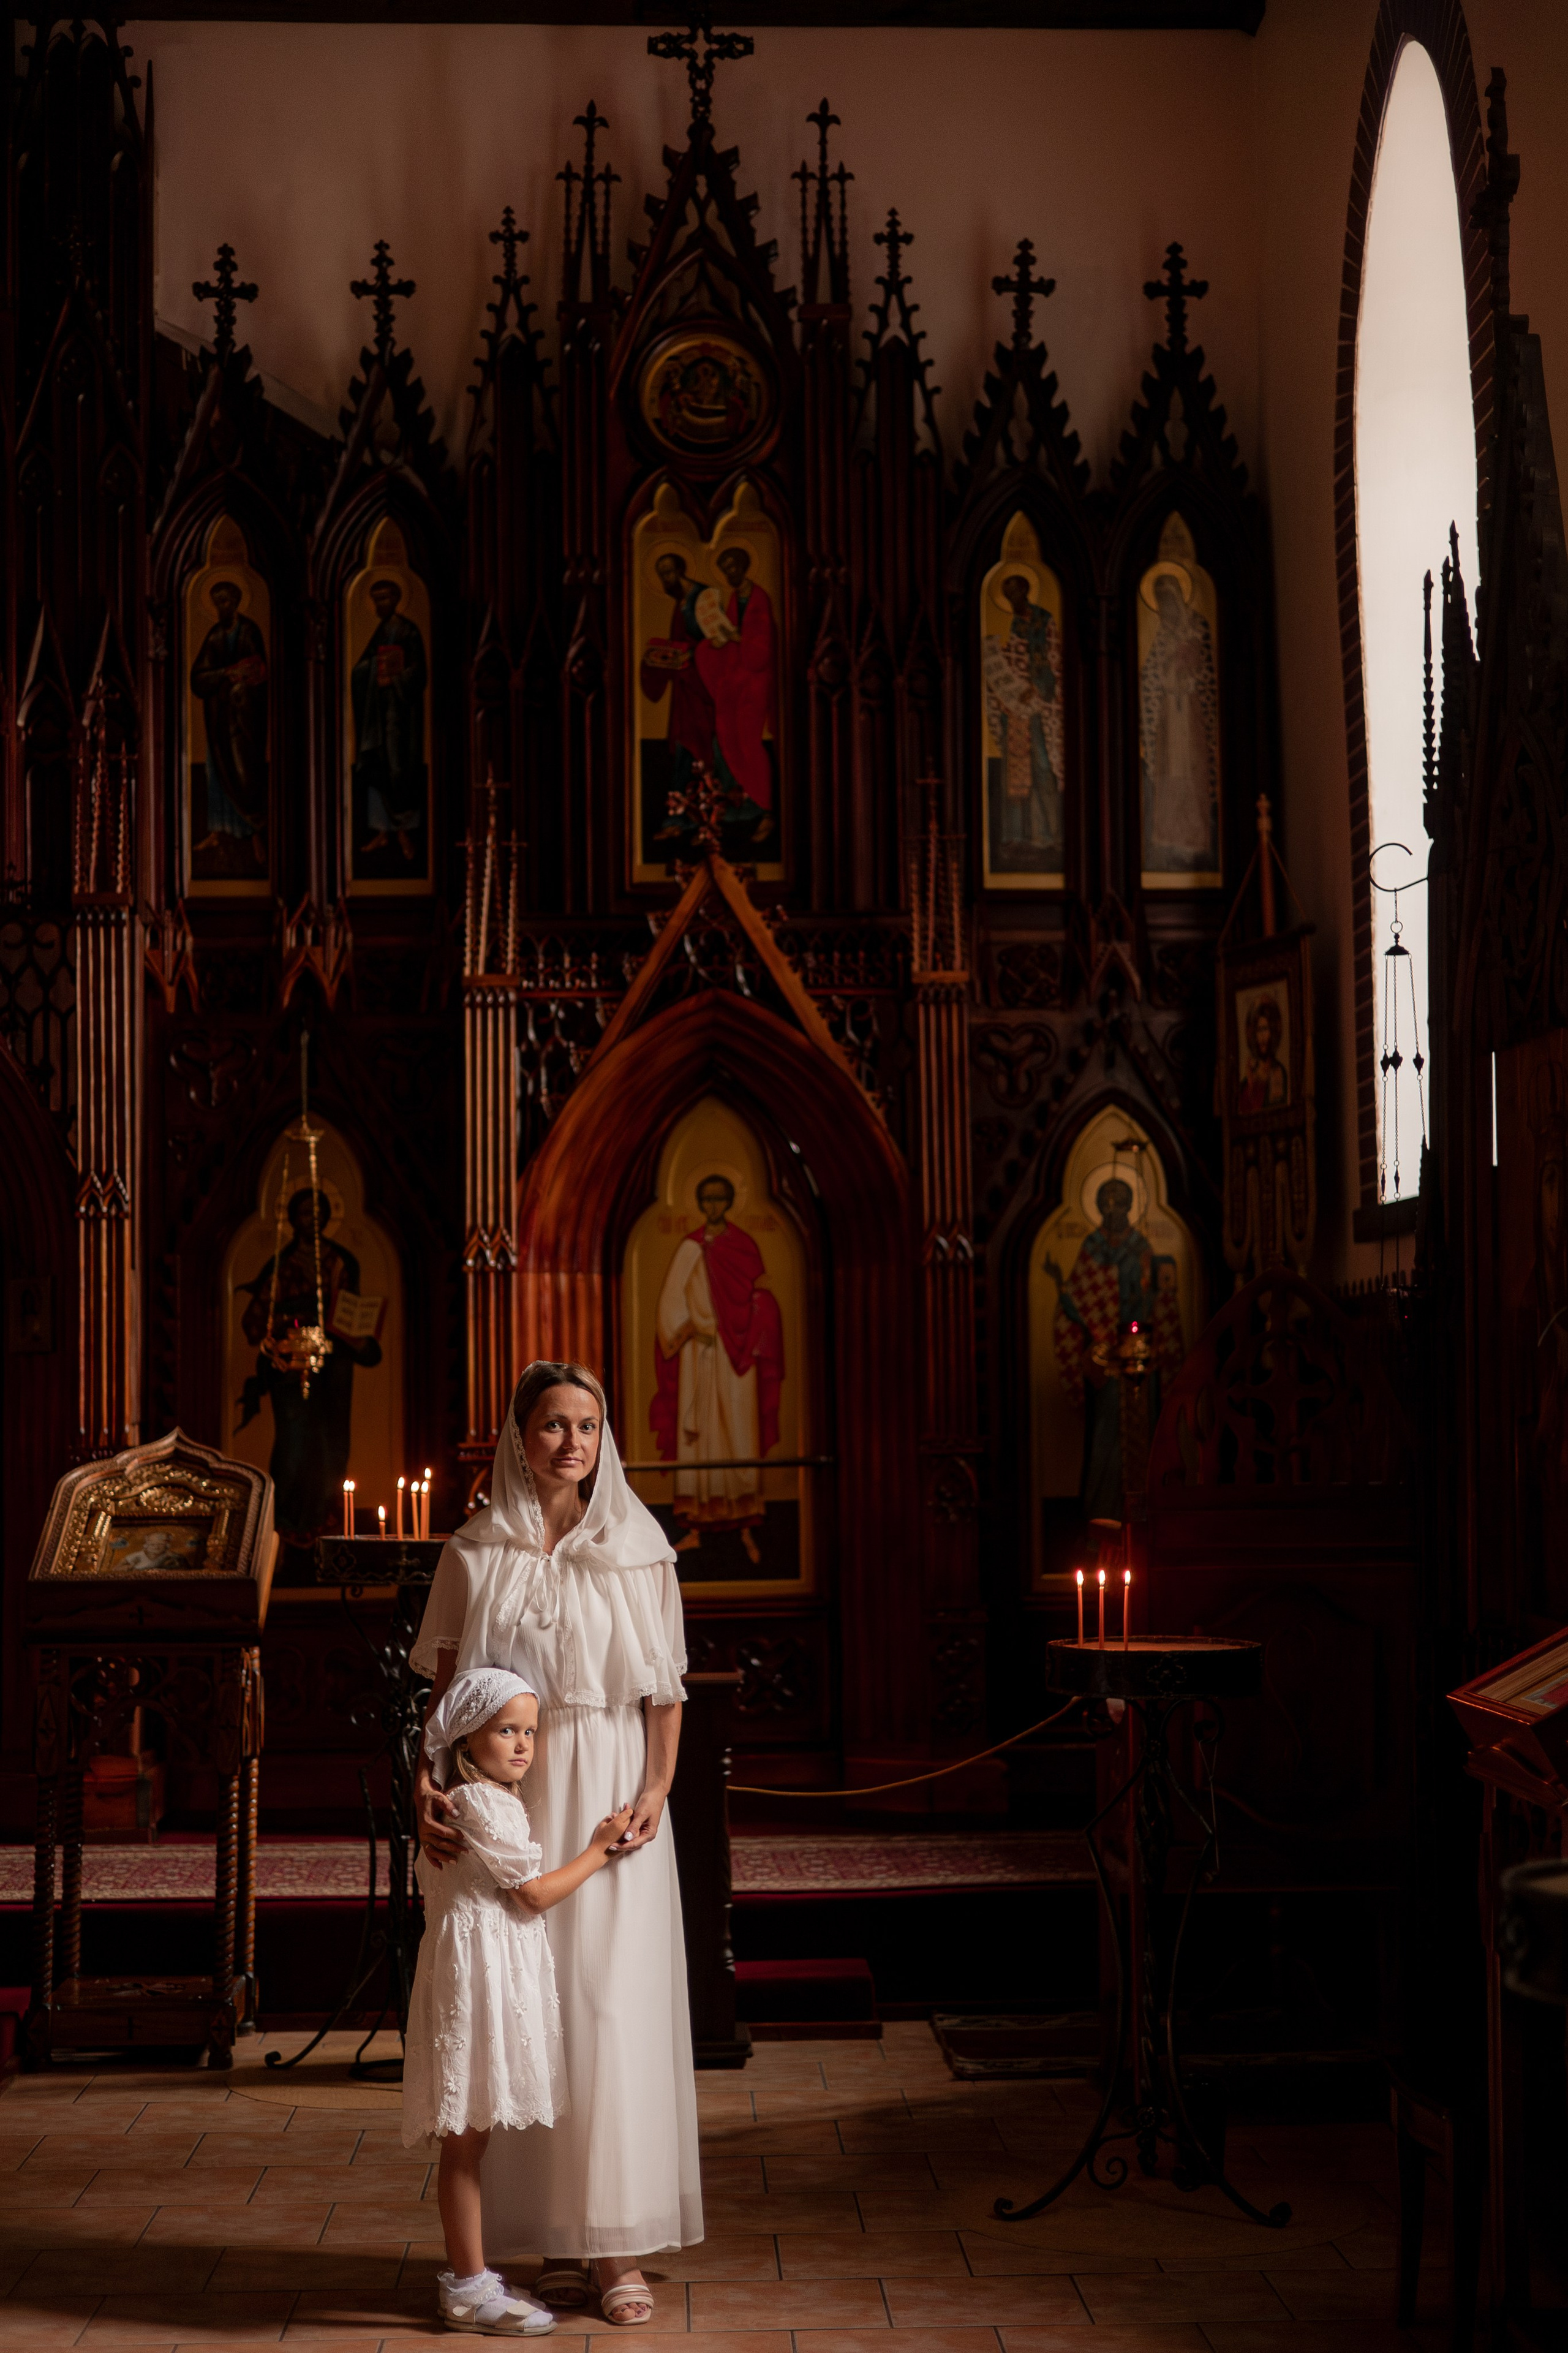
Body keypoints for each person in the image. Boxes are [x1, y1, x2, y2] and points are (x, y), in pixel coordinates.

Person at [412, 1361, 698, 2327]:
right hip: (511, 1797)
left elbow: (666, 1689)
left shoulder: (641, 1549)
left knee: (610, 2008)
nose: (571, 1441)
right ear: (518, 1436)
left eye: (587, 1425)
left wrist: (656, 1787)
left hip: (613, 1798)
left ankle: (616, 2245)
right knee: (529, 2014)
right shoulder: (473, 1552)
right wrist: (425, 1783)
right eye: (551, 1424)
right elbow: (446, 1698)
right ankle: (550, 2236)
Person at [403, 1663, 636, 2338]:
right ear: (466, 1738)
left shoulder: (473, 1799)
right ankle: (467, 2287)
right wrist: (598, 1849)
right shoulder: (481, 1804)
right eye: (506, 1730)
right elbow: (531, 1895)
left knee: (468, 2137)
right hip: (476, 1978)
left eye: (530, 1731)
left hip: (475, 1968)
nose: (524, 1744)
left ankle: (471, 2280)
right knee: (464, 2138)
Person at [236, 1188, 383, 1541]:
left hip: (335, 1367)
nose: (312, 1220)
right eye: (305, 1213)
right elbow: (255, 1321)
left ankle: (326, 1515)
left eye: (319, 1213)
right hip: (292, 1366)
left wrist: (352, 1329)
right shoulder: (281, 1265)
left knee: (332, 1442)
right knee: (294, 1442)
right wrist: (283, 1326)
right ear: (292, 1218)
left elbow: (351, 1311)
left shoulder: (342, 1262)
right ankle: (284, 1522)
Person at [652, 1174, 783, 1563]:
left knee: (739, 1431)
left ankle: (746, 1526)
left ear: (728, 1202)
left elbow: (758, 1294)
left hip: (736, 1355)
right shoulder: (690, 1248)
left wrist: (754, 1316)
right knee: (701, 1435)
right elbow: (670, 1300)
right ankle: (694, 1527)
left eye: (719, 1199)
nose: (713, 1207)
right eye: (706, 1200)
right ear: (699, 1203)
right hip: (699, 1351)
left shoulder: (744, 1245)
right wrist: (691, 1328)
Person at [1050, 1176, 1184, 1520]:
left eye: (1120, 1202)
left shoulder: (1142, 1246)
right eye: (1106, 1204)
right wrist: (1065, 1290)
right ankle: (1102, 1516)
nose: (1113, 1210)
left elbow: (1157, 1296)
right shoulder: (1092, 1247)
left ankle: (1148, 1517)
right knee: (1106, 1438)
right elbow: (1080, 1299)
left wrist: (1156, 1297)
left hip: (1142, 1358)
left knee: (1146, 1434)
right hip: (1109, 1359)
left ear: (1128, 1206)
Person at [1139, 568, 1219, 871]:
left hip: (1191, 715)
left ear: (1178, 599)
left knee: (1193, 774)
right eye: (1159, 602)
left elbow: (1206, 673)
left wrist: (1186, 667)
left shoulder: (1197, 627)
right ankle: (1169, 839)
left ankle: (1196, 841)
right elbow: (1150, 674)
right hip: (1168, 719)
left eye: (1167, 601)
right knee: (1170, 777)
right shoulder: (1163, 634)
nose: (1164, 608)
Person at [693, 546, 776, 841]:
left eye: (733, 567)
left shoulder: (759, 598)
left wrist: (738, 638)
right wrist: (720, 642)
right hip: (736, 679)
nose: (730, 573)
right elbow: (730, 635)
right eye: (725, 569)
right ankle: (738, 806)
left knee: (749, 743)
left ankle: (766, 809)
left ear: (743, 566)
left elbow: (761, 647)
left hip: (755, 683)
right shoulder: (733, 598)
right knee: (725, 737)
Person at [981, 571, 1063, 869]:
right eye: (1008, 595)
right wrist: (1005, 693)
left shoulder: (1044, 621)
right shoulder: (1014, 624)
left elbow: (1054, 662)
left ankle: (1050, 835)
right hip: (1014, 712)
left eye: (1015, 593)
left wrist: (1037, 690)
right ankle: (1015, 836)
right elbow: (1010, 660)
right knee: (1013, 773)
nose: (1012, 600)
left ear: (1026, 591)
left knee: (1042, 767)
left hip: (1040, 710)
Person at [190, 578, 268, 864]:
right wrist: (224, 674)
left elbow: (261, 671)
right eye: (217, 603)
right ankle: (217, 831)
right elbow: (198, 678)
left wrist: (242, 683)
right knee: (216, 772)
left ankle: (255, 832)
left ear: (235, 602)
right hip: (219, 721)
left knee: (244, 772)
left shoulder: (249, 631)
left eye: (224, 601)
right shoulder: (214, 636)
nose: (221, 607)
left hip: (246, 722)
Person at [351, 577, 428, 863]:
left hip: (402, 718)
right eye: (375, 600)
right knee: (378, 767)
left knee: (399, 769)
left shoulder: (408, 631)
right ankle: (382, 831)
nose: (379, 605)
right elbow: (360, 669)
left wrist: (394, 680)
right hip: (378, 717)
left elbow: (419, 673)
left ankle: (404, 832)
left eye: (383, 599)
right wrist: (373, 671)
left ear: (395, 600)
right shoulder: (381, 632)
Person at [1238, 996, 1289, 1113]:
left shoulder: (1278, 1071)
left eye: (1265, 1029)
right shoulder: (1249, 1079)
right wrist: (1252, 1085)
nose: (1262, 1036)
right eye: (1258, 1030)